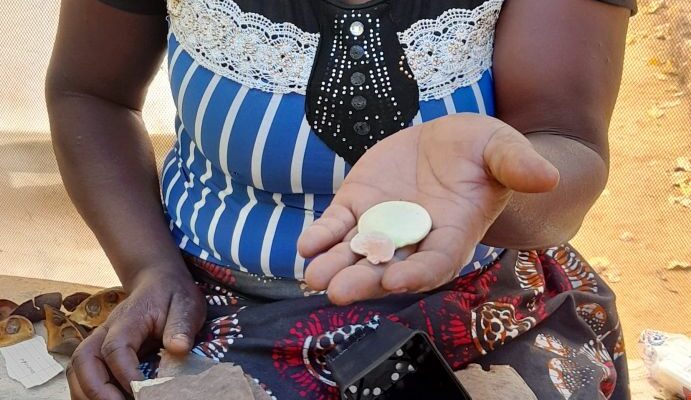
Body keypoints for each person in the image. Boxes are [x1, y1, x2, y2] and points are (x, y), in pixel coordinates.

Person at [46, 0, 637, 398]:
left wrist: (491, 192)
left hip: (479, 304)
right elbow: (89, 93)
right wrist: (150, 269)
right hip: (211, 308)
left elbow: (570, 145)